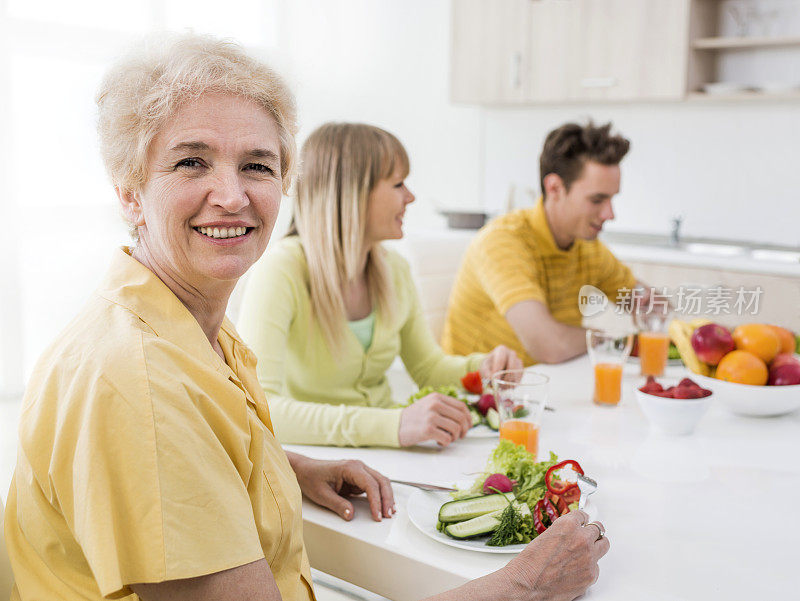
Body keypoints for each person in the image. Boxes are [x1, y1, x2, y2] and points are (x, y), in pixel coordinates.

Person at [3, 34, 608, 601]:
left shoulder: (180, 320)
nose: (233, 196)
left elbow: (186, 454)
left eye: (258, 166)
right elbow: (157, 430)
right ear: (130, 191)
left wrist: (286, 469)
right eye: (191, 162)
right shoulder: (134, 379)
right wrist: (523, 586)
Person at [237, 123, 522, 448]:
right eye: (398, 184)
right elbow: (262, 408)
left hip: (390, 458)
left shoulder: (395, 270)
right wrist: (393, 425)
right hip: (316, 463)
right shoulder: (282, 270)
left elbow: (428, 368)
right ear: (352, 192)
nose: (410, 196)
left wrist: (483, 369)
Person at [442, 121, 641, 365]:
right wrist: (610, 338)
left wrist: (658, 312)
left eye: (611, 199)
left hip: (545, 387)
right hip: (481, 395)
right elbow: (550, 346)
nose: (610, 214)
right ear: (555, 188)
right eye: (597, 200)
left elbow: (640, 299)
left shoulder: (586, 246)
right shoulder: (502, 242)